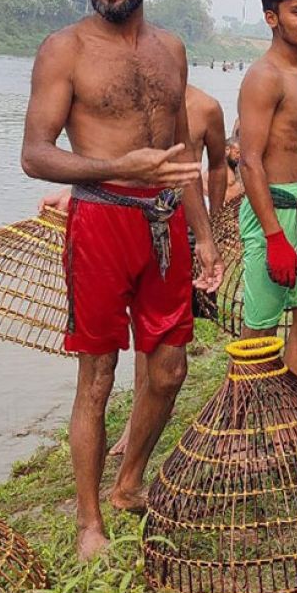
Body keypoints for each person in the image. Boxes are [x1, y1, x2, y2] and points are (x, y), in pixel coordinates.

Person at [20, 0, 222, 561]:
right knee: (98, 375)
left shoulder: (171, 49)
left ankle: (129, 482)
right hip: (102, 219)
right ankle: (88, 523)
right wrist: (119, 167)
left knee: (168, 369)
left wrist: (206, 236)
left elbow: (181, 151)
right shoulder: (64, 50)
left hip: (165, 222)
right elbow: (35, 155)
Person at [103, 82, 227, 458]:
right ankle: (135, 423)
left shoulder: (206, 107)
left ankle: (149, 416)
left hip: (183, 224)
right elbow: (108, 162)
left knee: (165, 333)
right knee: (138, 330)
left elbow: (218, 166)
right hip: (132, 221)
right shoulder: (133, 99)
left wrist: (213, 230)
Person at [236, 0, 297, 382]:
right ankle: (240, 423)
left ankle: (292, 410)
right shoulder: (264, 76)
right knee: (260, 326)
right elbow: (250, 161)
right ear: (272, 17)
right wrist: (274, 236)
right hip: (271, 210)